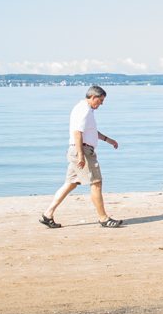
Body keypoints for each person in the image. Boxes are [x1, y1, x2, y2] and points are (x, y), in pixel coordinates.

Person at [40, 85, 123, 228]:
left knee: (71, 183)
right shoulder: (84, 110)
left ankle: (48, 214)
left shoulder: (83, 109)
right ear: (93, 97)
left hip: (78, 149)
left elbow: (90, 131)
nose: (101, 104)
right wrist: (80, 156)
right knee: (96, 183)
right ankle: (103, 218)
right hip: (82, 150)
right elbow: (77, 133)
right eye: (100, 100)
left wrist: (109, 140)